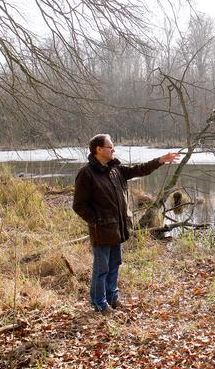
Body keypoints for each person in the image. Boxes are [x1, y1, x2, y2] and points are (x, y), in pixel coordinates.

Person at [73, 134, 180, 314]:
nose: (113, 150)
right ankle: (99, 304)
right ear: (99, 149)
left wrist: (161, 160)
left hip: (118, 228)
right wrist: (97, 221)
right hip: (102, 231)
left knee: (115, 263)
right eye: (110, 147)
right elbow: (79, 205)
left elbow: (141, 169)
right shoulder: (87, 174)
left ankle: (112, 299)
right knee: (101, 268)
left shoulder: (116, 170)